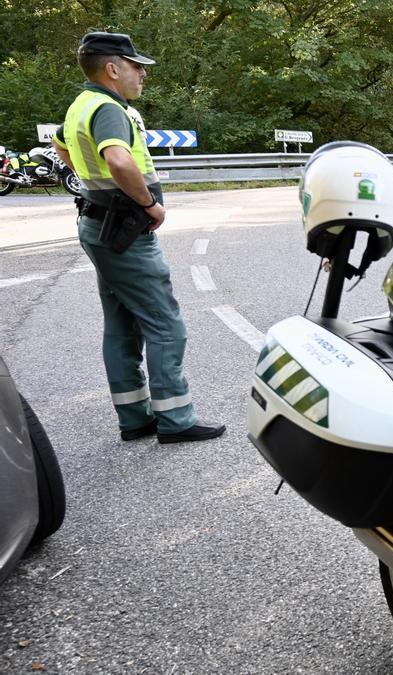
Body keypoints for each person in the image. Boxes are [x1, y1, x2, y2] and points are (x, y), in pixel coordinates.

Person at [52, 32, 224, 444]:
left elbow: (61, 143)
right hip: (126, 231)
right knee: (166, 325)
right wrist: (149, 204)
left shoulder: (83, 104)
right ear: (113, 69)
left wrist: (89, 183)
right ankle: (176, 420)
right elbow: (117, 159)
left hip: (99, 226)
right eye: (135, 65)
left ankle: (135, 418)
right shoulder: (110, 110)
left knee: (122, 324)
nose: (142, 73)